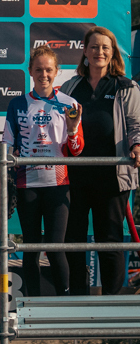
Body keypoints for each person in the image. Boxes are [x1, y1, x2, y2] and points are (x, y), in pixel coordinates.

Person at [60, 26, 140, 295]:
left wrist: (137, 144)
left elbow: (136, 125)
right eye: (94, 47)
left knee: (110, 240)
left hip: (112, 177)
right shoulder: (70, 87)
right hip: (75, 177)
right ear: (84, 51)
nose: (99, 52)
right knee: (73, 240)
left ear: (113, 52)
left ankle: (112, 302)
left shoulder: (125, 86)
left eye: (105, 47)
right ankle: (78, 301)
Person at [3, 45, 84, 297]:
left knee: (56, 247)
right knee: (31, 248)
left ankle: (65, 303)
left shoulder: (69, 104)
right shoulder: (17, 104)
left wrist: (71, 129)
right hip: (27, 185)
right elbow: (6, 144)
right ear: (30, 71)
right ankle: (32, 306)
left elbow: (78, 149)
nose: (44, 74)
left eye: (49, 70)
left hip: (58, 185)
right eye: (38, 69)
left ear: (57, 71)